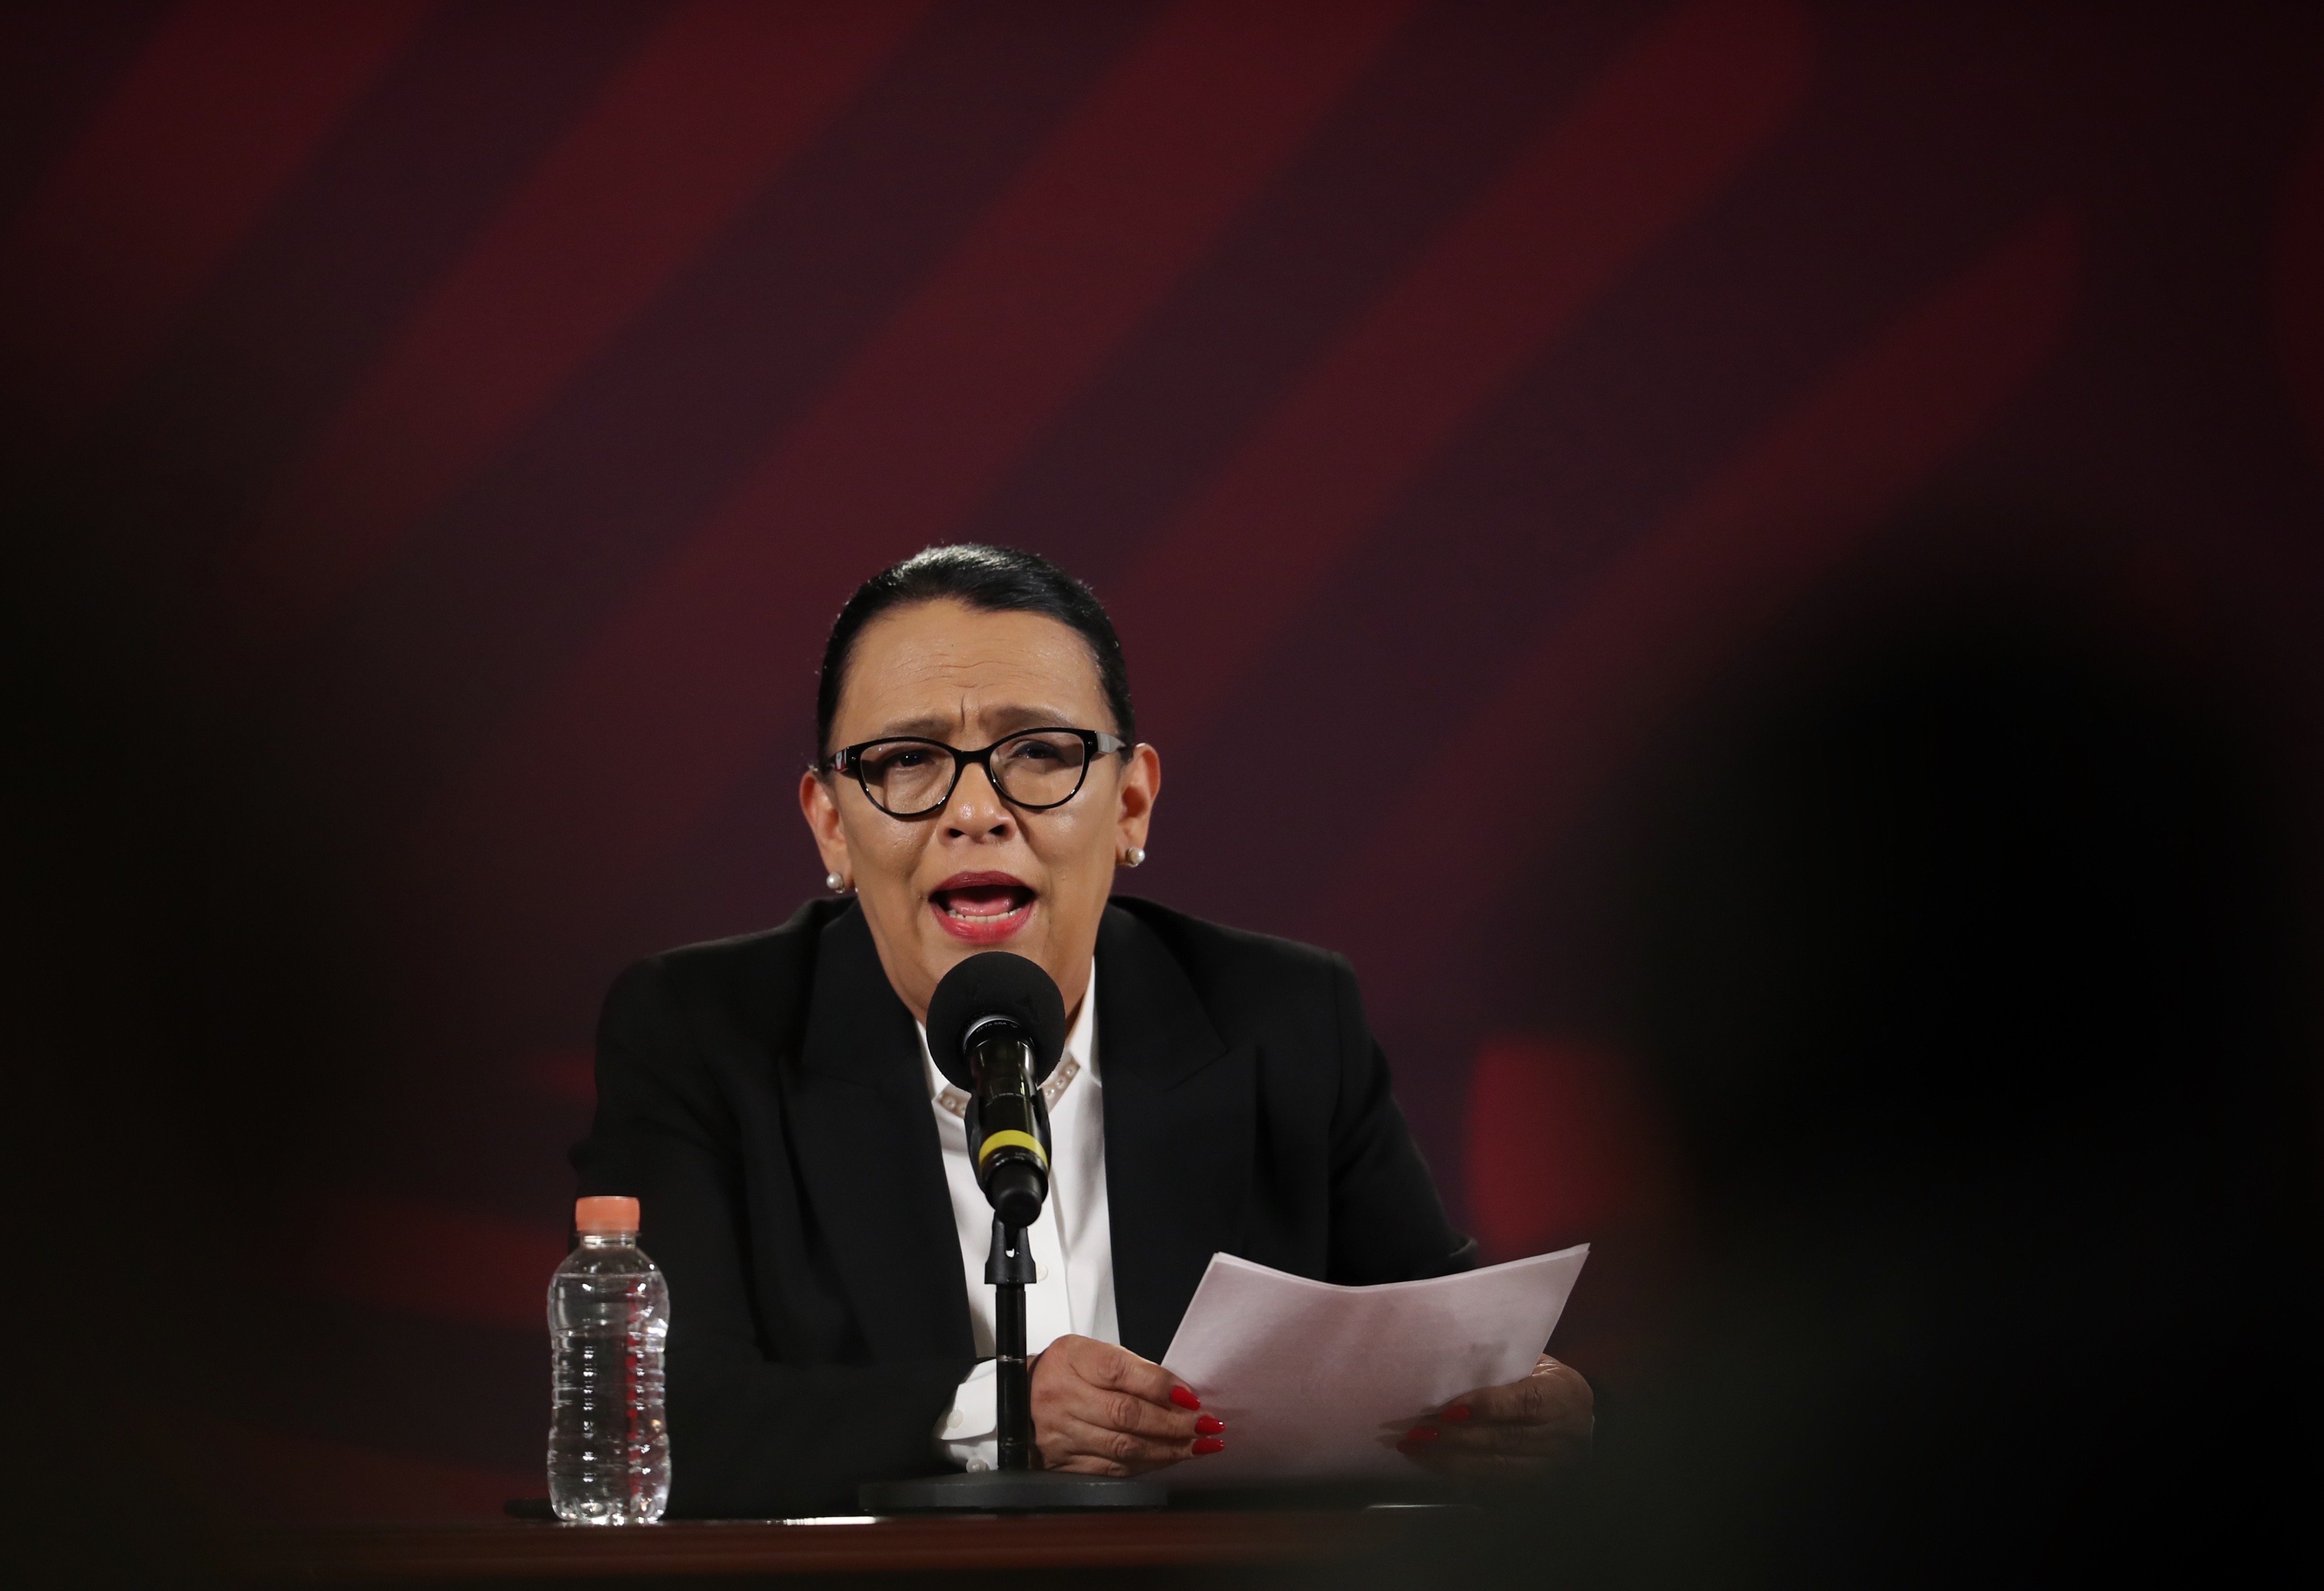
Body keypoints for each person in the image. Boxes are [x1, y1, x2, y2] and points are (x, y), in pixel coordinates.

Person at [573, 544, 1594, 1516]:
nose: (975, 810)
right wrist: (1002, 1413)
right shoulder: (703, 1033)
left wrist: (1526, 1409)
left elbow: (1445, 1340)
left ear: (1132, 805)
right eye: (908, 761)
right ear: (832, 823)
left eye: (1042, 754)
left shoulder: (1282, 1021)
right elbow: (660, 1421)